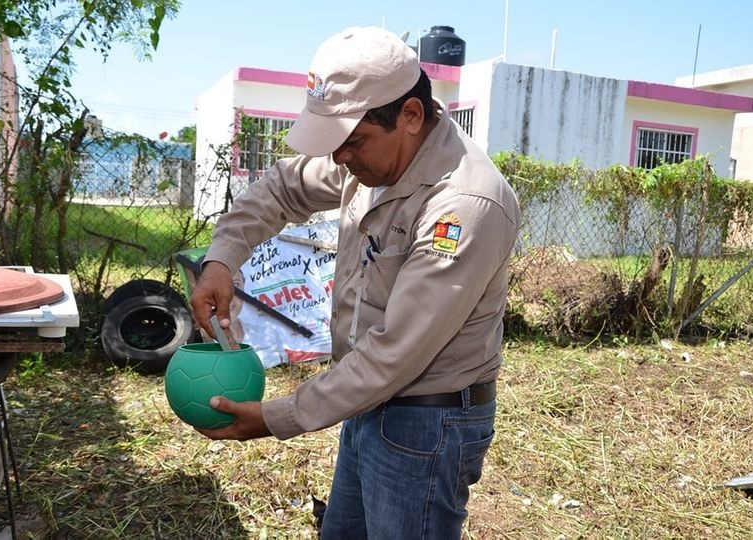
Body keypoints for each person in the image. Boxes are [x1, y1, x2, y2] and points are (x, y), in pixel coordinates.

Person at [190, 26, 520, 539]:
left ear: (411, 116)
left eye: (352, 142)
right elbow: (281, 187)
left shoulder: (463, 206)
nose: (339, 158)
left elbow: (397, 352)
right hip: (364, 398)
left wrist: (277, 416)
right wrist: (221, 261)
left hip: (425, 423)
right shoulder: (369, 156)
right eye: (335, 144)